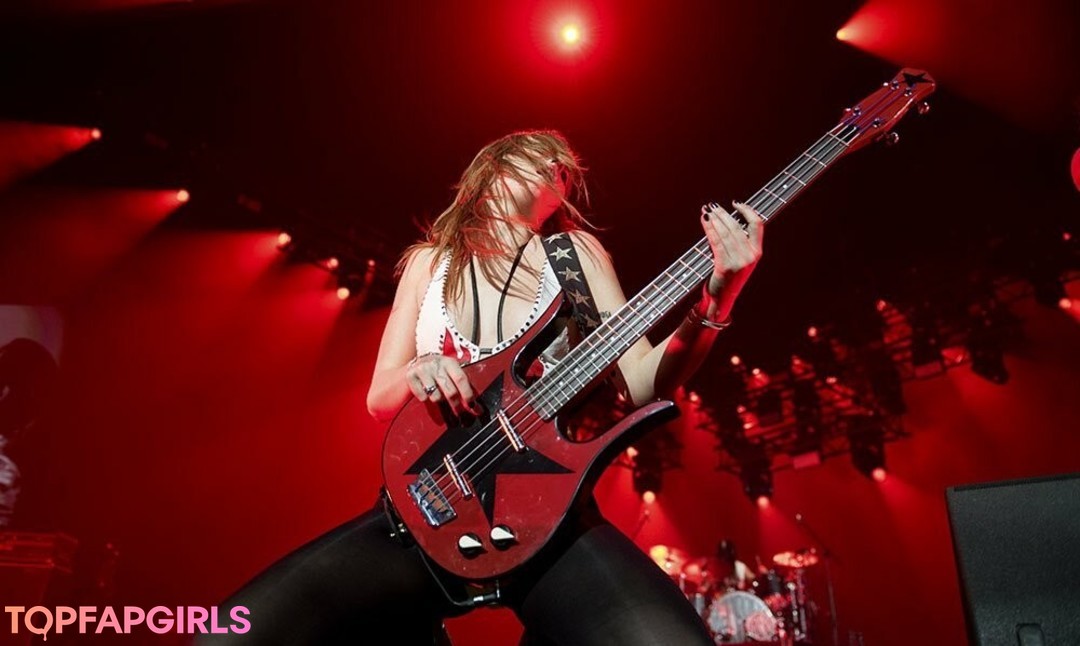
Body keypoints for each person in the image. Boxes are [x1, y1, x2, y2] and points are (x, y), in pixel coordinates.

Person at [198, 129, 765, 645]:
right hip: (427, 508)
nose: (557, 168)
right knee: (228, 634)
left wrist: (718, 299)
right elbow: (380, 398)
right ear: (492, 166)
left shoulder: (574, 256)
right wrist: (419, 367)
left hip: (547, 510)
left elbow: (640, 383)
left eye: (564, 169)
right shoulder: (428, 264)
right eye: (540, 156)